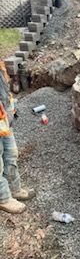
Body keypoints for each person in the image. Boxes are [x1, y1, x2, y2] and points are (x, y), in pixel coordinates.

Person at [0, 61, 34, 214]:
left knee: (11, 153)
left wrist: (10, 108)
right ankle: (4, 198)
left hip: (4, 119)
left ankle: (14, 188)